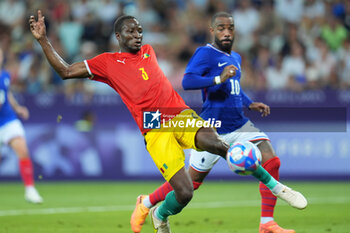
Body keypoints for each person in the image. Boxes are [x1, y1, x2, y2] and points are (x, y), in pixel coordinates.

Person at [30, 11, 306, 233]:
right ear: (118, 36)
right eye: (131, 31)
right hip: (154, 126)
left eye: (139, 30)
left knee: (220, 145)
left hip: (179, 115)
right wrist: (44, 40)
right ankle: (158, 214)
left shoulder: (149, 50)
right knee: (185, 192)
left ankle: (277, 188)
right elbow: (66, 71)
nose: (137, 35)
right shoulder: (106, 63)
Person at [130, 12, 306, 233]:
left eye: (230, 28)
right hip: (213, 129)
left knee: (271, 159)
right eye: (221, 28)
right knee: (189, 184)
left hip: (239, 124)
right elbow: (188, 80)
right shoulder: (205, 53)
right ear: (212, 30)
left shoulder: (236, 58)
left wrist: (250, 103)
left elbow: (235, 89)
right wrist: (217, 78)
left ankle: (266, 223)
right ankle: (149, 205)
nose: (226, 32)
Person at [0, 48, 43, 204]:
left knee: (22, 150)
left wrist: (17, 108)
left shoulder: (5, 75)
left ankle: (30, 189)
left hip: (7, 121)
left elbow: (7, 93)